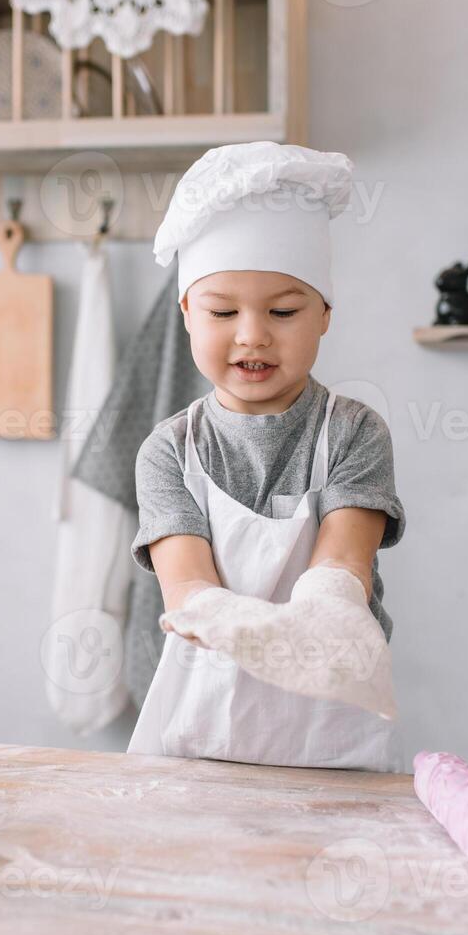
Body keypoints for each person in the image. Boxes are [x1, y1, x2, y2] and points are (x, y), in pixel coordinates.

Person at [127, 141, 406, 771]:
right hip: (202, 733)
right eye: (223, 310)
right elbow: (189, 592)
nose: (252, 333)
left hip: (327, 733)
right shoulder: (168, 452)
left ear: (326, 314)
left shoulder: (355, 434)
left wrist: (313, 629)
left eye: (283, 310)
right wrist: (252, 631)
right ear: (187, 314)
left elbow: (342, 569)